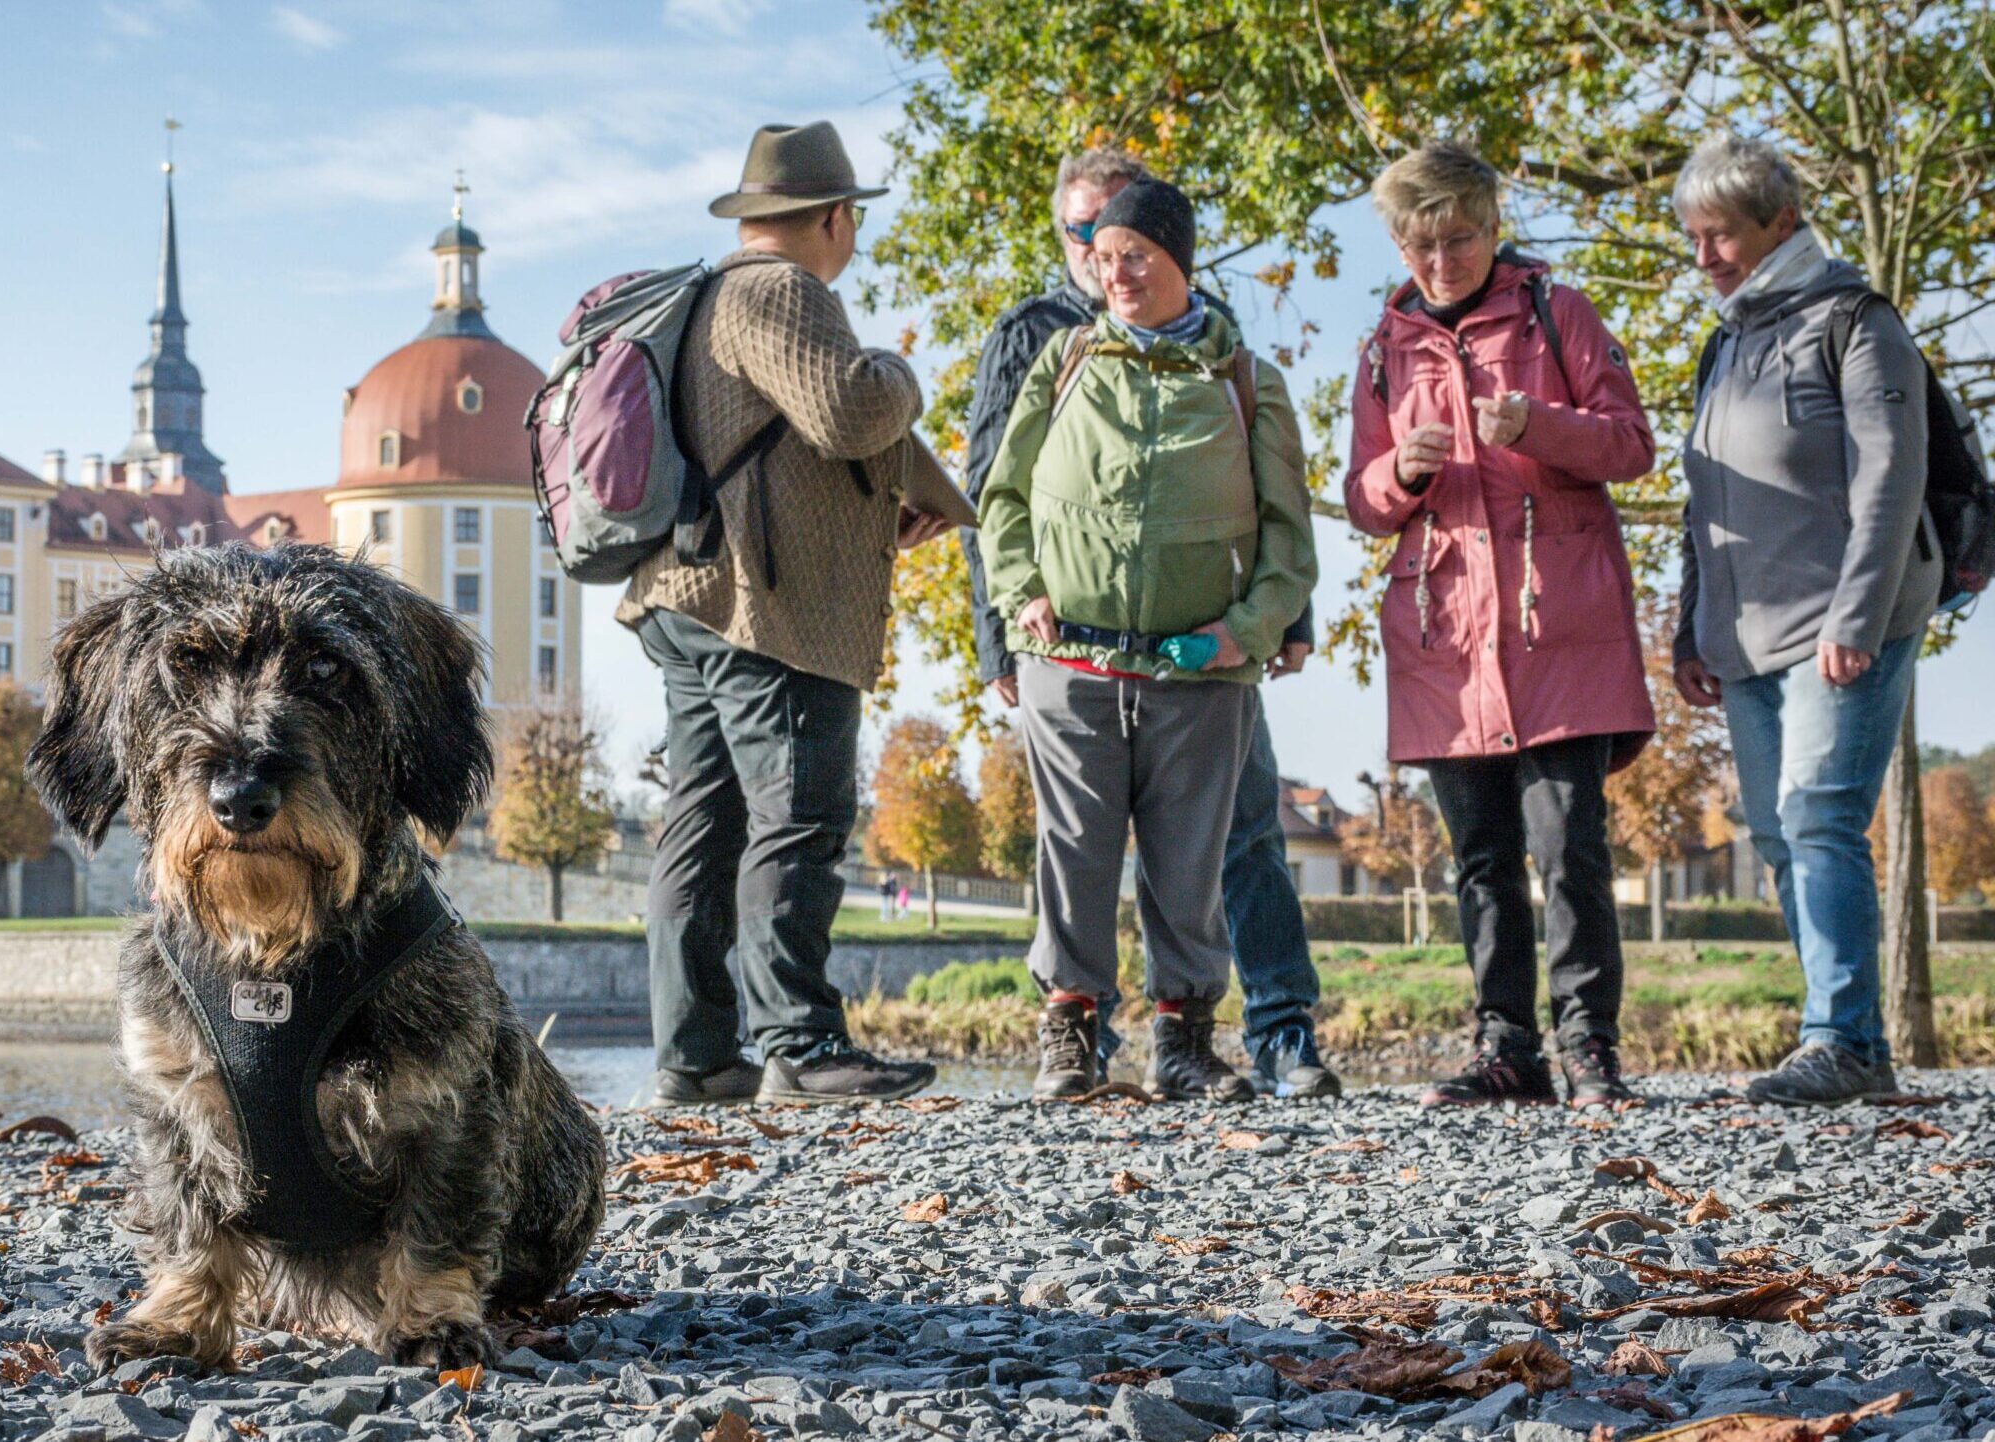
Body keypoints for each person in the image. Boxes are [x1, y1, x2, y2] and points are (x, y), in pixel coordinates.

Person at [962, 148, 1341, 1102]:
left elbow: (1290, 540)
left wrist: (1249, 631)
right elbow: (999, 496)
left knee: (1192, 862)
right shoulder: (1060, 358)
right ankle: (1070, 1037)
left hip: (1201, 672)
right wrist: (1018, 595)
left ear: (1179, 259)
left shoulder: (1247, 378)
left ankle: (1183, 1042)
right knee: (1074, 854)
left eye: (1134, 253)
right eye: (1100, 255)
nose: (1115, 271)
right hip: (1070, 662)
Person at [621, 121, 968, 1107]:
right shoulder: (777, 290)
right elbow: (850, 412)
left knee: (704, 823)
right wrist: (900, 369)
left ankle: (696, 1056)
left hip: (691, 596)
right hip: (767, 612)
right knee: (798, 815)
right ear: (835, 216)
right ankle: (801, 1045)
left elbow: (784, 447)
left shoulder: (705, 299)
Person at [1342, 141, 1658, 1109]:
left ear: (1491, 225)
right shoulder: (1382, 349)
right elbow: (1362, 501)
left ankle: (1589, 1048)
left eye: (1460, 239)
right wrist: (1400, 471)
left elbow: (1632, 446)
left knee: (1570, 850)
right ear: (1399, 244)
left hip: (1559, 626)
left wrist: (1539, 427)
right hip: (1446, 639)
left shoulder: (1559, 313)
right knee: (1479, 857)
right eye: (1421, 245)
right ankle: (1508, 1050)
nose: (1441, 261)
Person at [1673, 134, 1943, 1106]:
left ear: (1781, 223)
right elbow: (1702, 502)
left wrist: (1857, 614)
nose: (1703, 255)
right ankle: (1847, 1036)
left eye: (1720, 234)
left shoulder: (1855, 320)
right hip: (1743, 636)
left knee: (1819, 814)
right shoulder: (1724, 341)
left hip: (1841, 621)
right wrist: (1689, 628)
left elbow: (1891, 474)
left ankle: (1841, 1040)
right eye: (1692, 237)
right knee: (1778, 835)